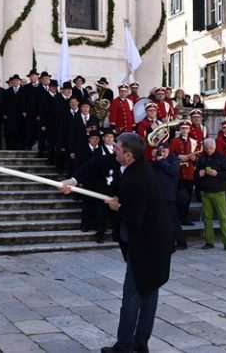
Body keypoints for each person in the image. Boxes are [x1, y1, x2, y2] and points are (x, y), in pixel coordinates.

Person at [62, 132, 173, 353]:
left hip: (148, 244)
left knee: (134, 294)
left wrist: (118, 207)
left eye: (118, 149)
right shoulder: (133, 164)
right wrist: (72, 182)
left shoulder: (138, 179)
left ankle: (124, 347)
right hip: (156, 240)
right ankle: (140, 345)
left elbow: (134, 218)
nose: (114, 150)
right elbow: (96, 163)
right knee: (149, 291)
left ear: (128, 155)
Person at [195, 138, 226, 252]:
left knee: (223, 218)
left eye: (210, 148)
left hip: (219, 192)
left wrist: (217, 174)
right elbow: (195, 174)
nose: (208, 150)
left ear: (215, 147)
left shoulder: (222, 158)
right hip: (205, 192)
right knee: (207, 218)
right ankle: (209, 241)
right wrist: (199, 174)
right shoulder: (201, 158)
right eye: (206, 148)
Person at [150, 142, 186, 250]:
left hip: (169, 195)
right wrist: (154, 159)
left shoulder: (173, 159)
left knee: (172, 220)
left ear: (168, 150)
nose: (162, 153)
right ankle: (165, 243)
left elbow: (173, 170)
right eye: (160, 151)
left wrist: (162, 160)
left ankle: (181, 243)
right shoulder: (156, 160)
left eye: (164, 151)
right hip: (157, 194)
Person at [169, 120, 198, 226]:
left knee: (188, 198)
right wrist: (178, 156)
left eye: (186, 128)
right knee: (178, 197)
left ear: (189, 130)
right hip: (179, 173)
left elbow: (198, 157)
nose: (184, 130)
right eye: (182, 128)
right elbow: (169, 155)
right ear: (179, 130)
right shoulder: (174, 141)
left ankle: (185, 218)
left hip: (189, 173)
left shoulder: (194, 141)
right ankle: (177, 218)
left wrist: (194, 158)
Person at [2, 74, 26, 150]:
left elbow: (28, 103)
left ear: (20, 81)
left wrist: (25, 112)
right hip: (10, 116)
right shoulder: (7, 92)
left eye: (17, 80)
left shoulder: (25, 91)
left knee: (20, 132)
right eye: (14, 80)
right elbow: (4, 104)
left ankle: (20, 148)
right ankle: (10, 148)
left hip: (21, 116)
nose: (15, 82)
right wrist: (4, 113)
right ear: (12, 82)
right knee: (10, 133)